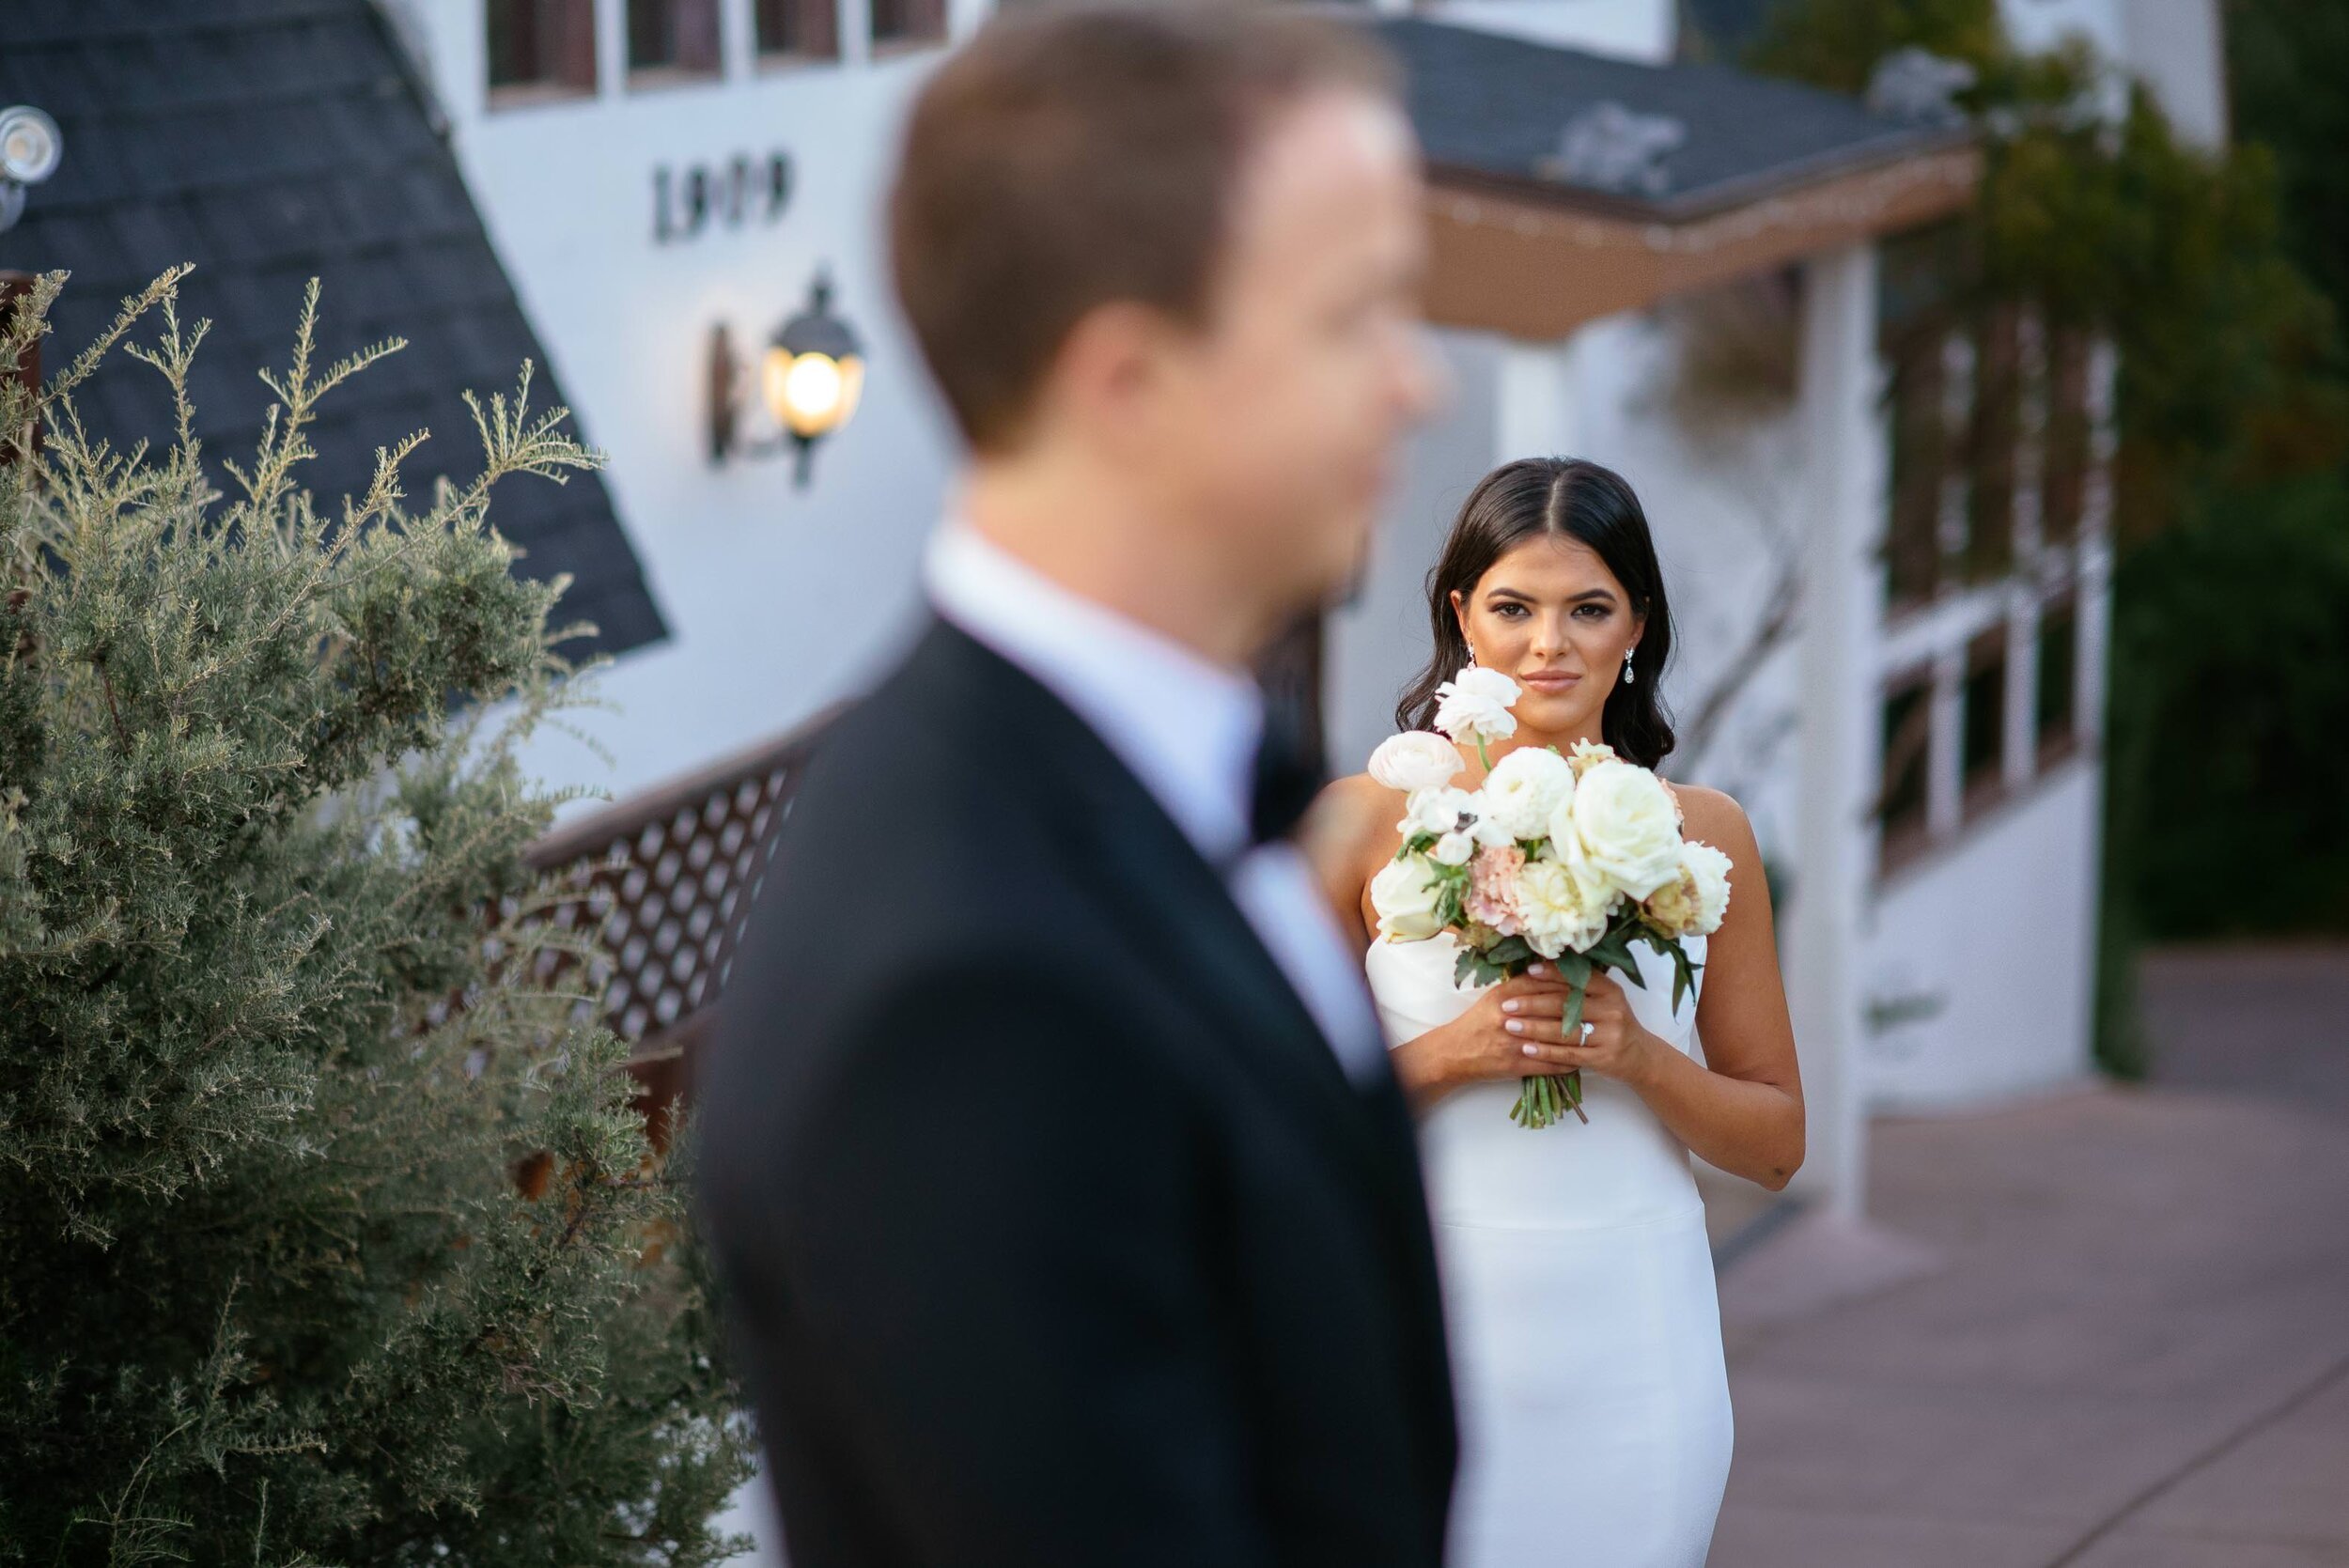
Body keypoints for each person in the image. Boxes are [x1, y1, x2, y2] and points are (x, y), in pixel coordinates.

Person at [694, 9, 1455, 1565]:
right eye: (1356, 317)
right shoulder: (965, 989)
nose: (1419, 383)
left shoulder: (1158, 790)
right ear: (1127, 381)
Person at [1310, 458, 1807, 1568]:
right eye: (1513, 608)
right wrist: (1451, 1053)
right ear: (1460, 617)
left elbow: (1776, 1144)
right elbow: (1284, 1112)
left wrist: (1637, 1056)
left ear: (1637, 623)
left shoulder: (1703, 836)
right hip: (1422, 1313)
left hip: (1631, 1323)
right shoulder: (1362, 823)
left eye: (1588, 608)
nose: (1550, 644)